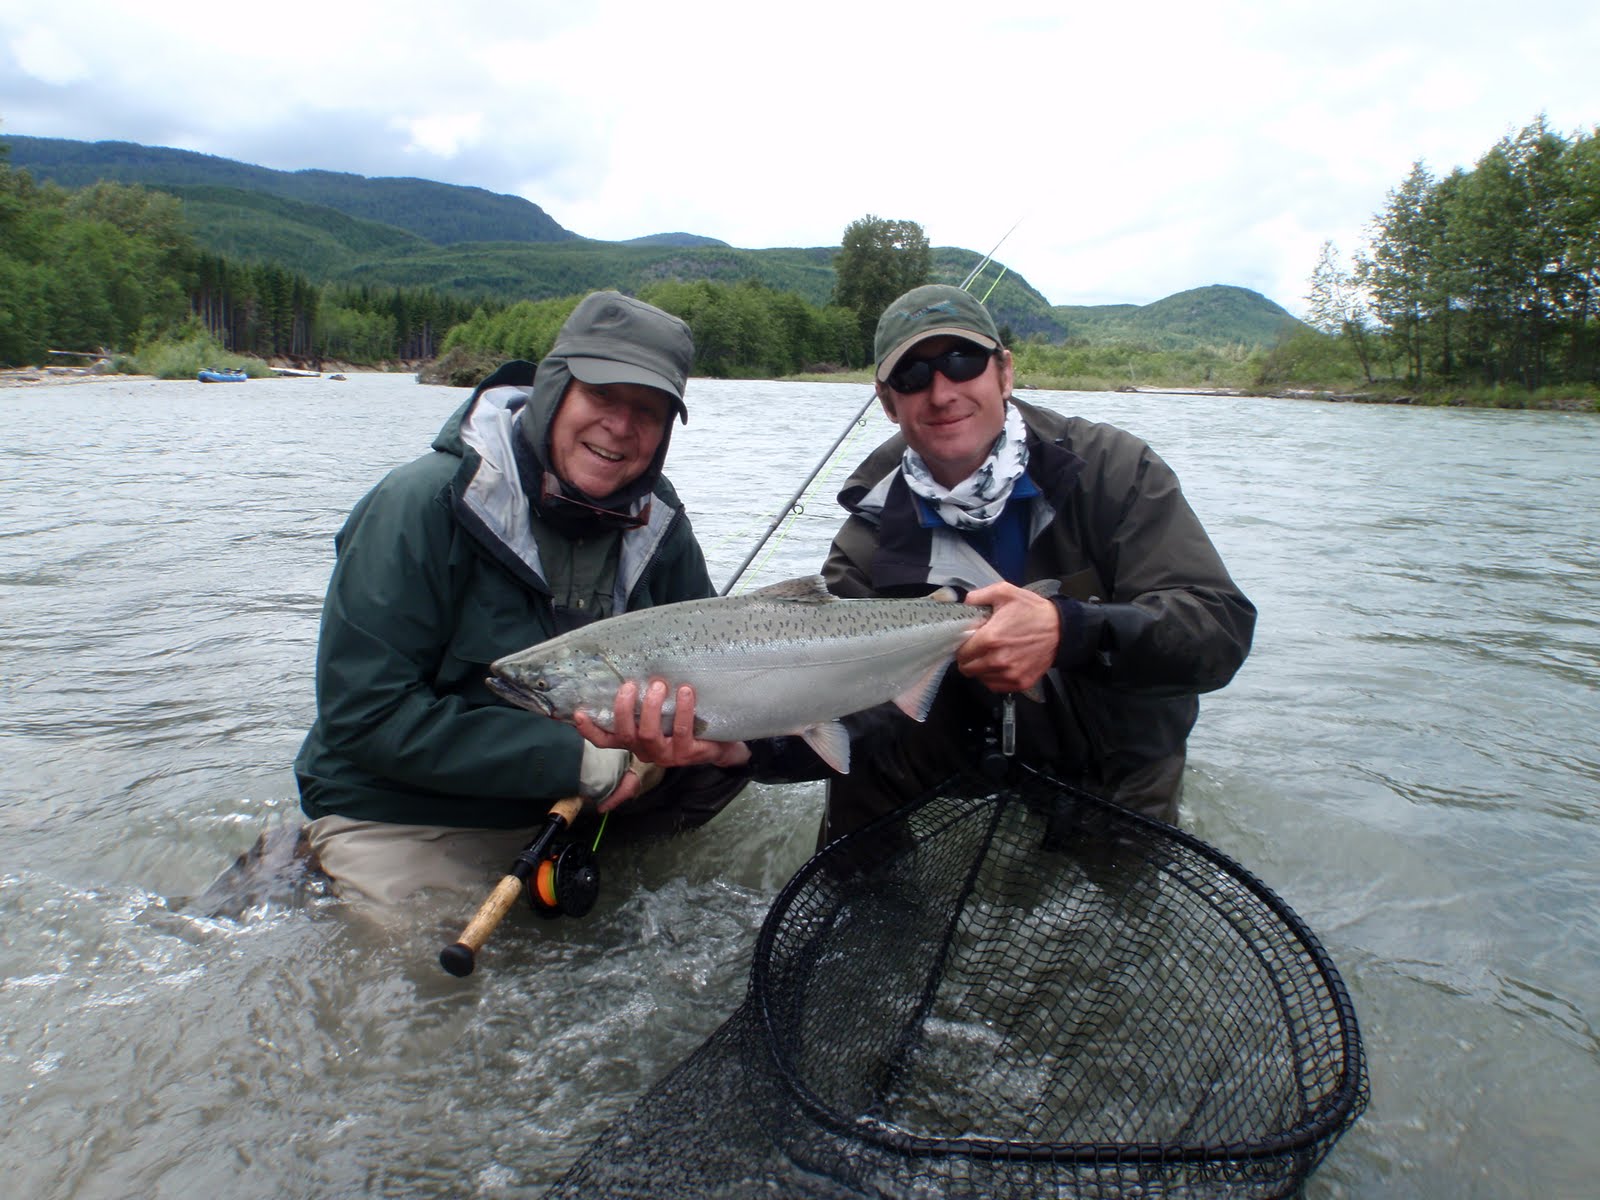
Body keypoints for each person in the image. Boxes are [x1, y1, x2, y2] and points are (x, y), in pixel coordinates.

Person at [580, 283, 1256, 844]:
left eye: (963, 362)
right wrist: (742, 748)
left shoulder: (1115, 472)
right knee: (856, 805)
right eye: (912, 374)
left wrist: (1069, 630)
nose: (941, 391)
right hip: (949, 746)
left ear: (1005, 371)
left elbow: (1217, 632)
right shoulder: (871, 533)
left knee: (1116, 931)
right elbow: (840, 710)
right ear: (887, 400)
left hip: (1110, 761)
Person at [293, 291, 747, 904]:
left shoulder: (660, 521)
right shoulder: (417, 505)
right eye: (602, 395)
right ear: (553, 391)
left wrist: (701, 741)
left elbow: (712, 672)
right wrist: (576, 762)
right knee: (417, 978)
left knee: (722, 767)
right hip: (401, 811)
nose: (620, 426)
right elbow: (364, 717)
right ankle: (301, 864)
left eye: (649, 410)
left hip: (574, 803)